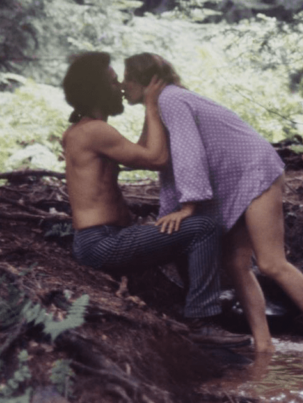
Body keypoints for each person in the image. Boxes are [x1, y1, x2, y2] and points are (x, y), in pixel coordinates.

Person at [122, 53, 303, 353]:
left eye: (127, 79)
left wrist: (188, 206)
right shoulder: (160, 105)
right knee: (235, 264)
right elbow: (146, 154)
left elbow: (190, 152)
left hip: (253, 170)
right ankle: (264, 345)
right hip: (231, 180)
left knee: (270, 263)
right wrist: (146, 110)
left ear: (145, 81)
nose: (123, 86)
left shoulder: (171, 101)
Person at [61, 52, 251, 347]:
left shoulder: (89, 130)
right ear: (96, 89)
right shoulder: (93, 131)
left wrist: (153, 109)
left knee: (181, 224)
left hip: (108, 238)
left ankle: (196, 307)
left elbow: (139, 154)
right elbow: (158, 158)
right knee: (203, 227)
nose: (122, 87)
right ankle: (201, 319)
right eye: (114, 82)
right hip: (101, 244)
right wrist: (151, 105)